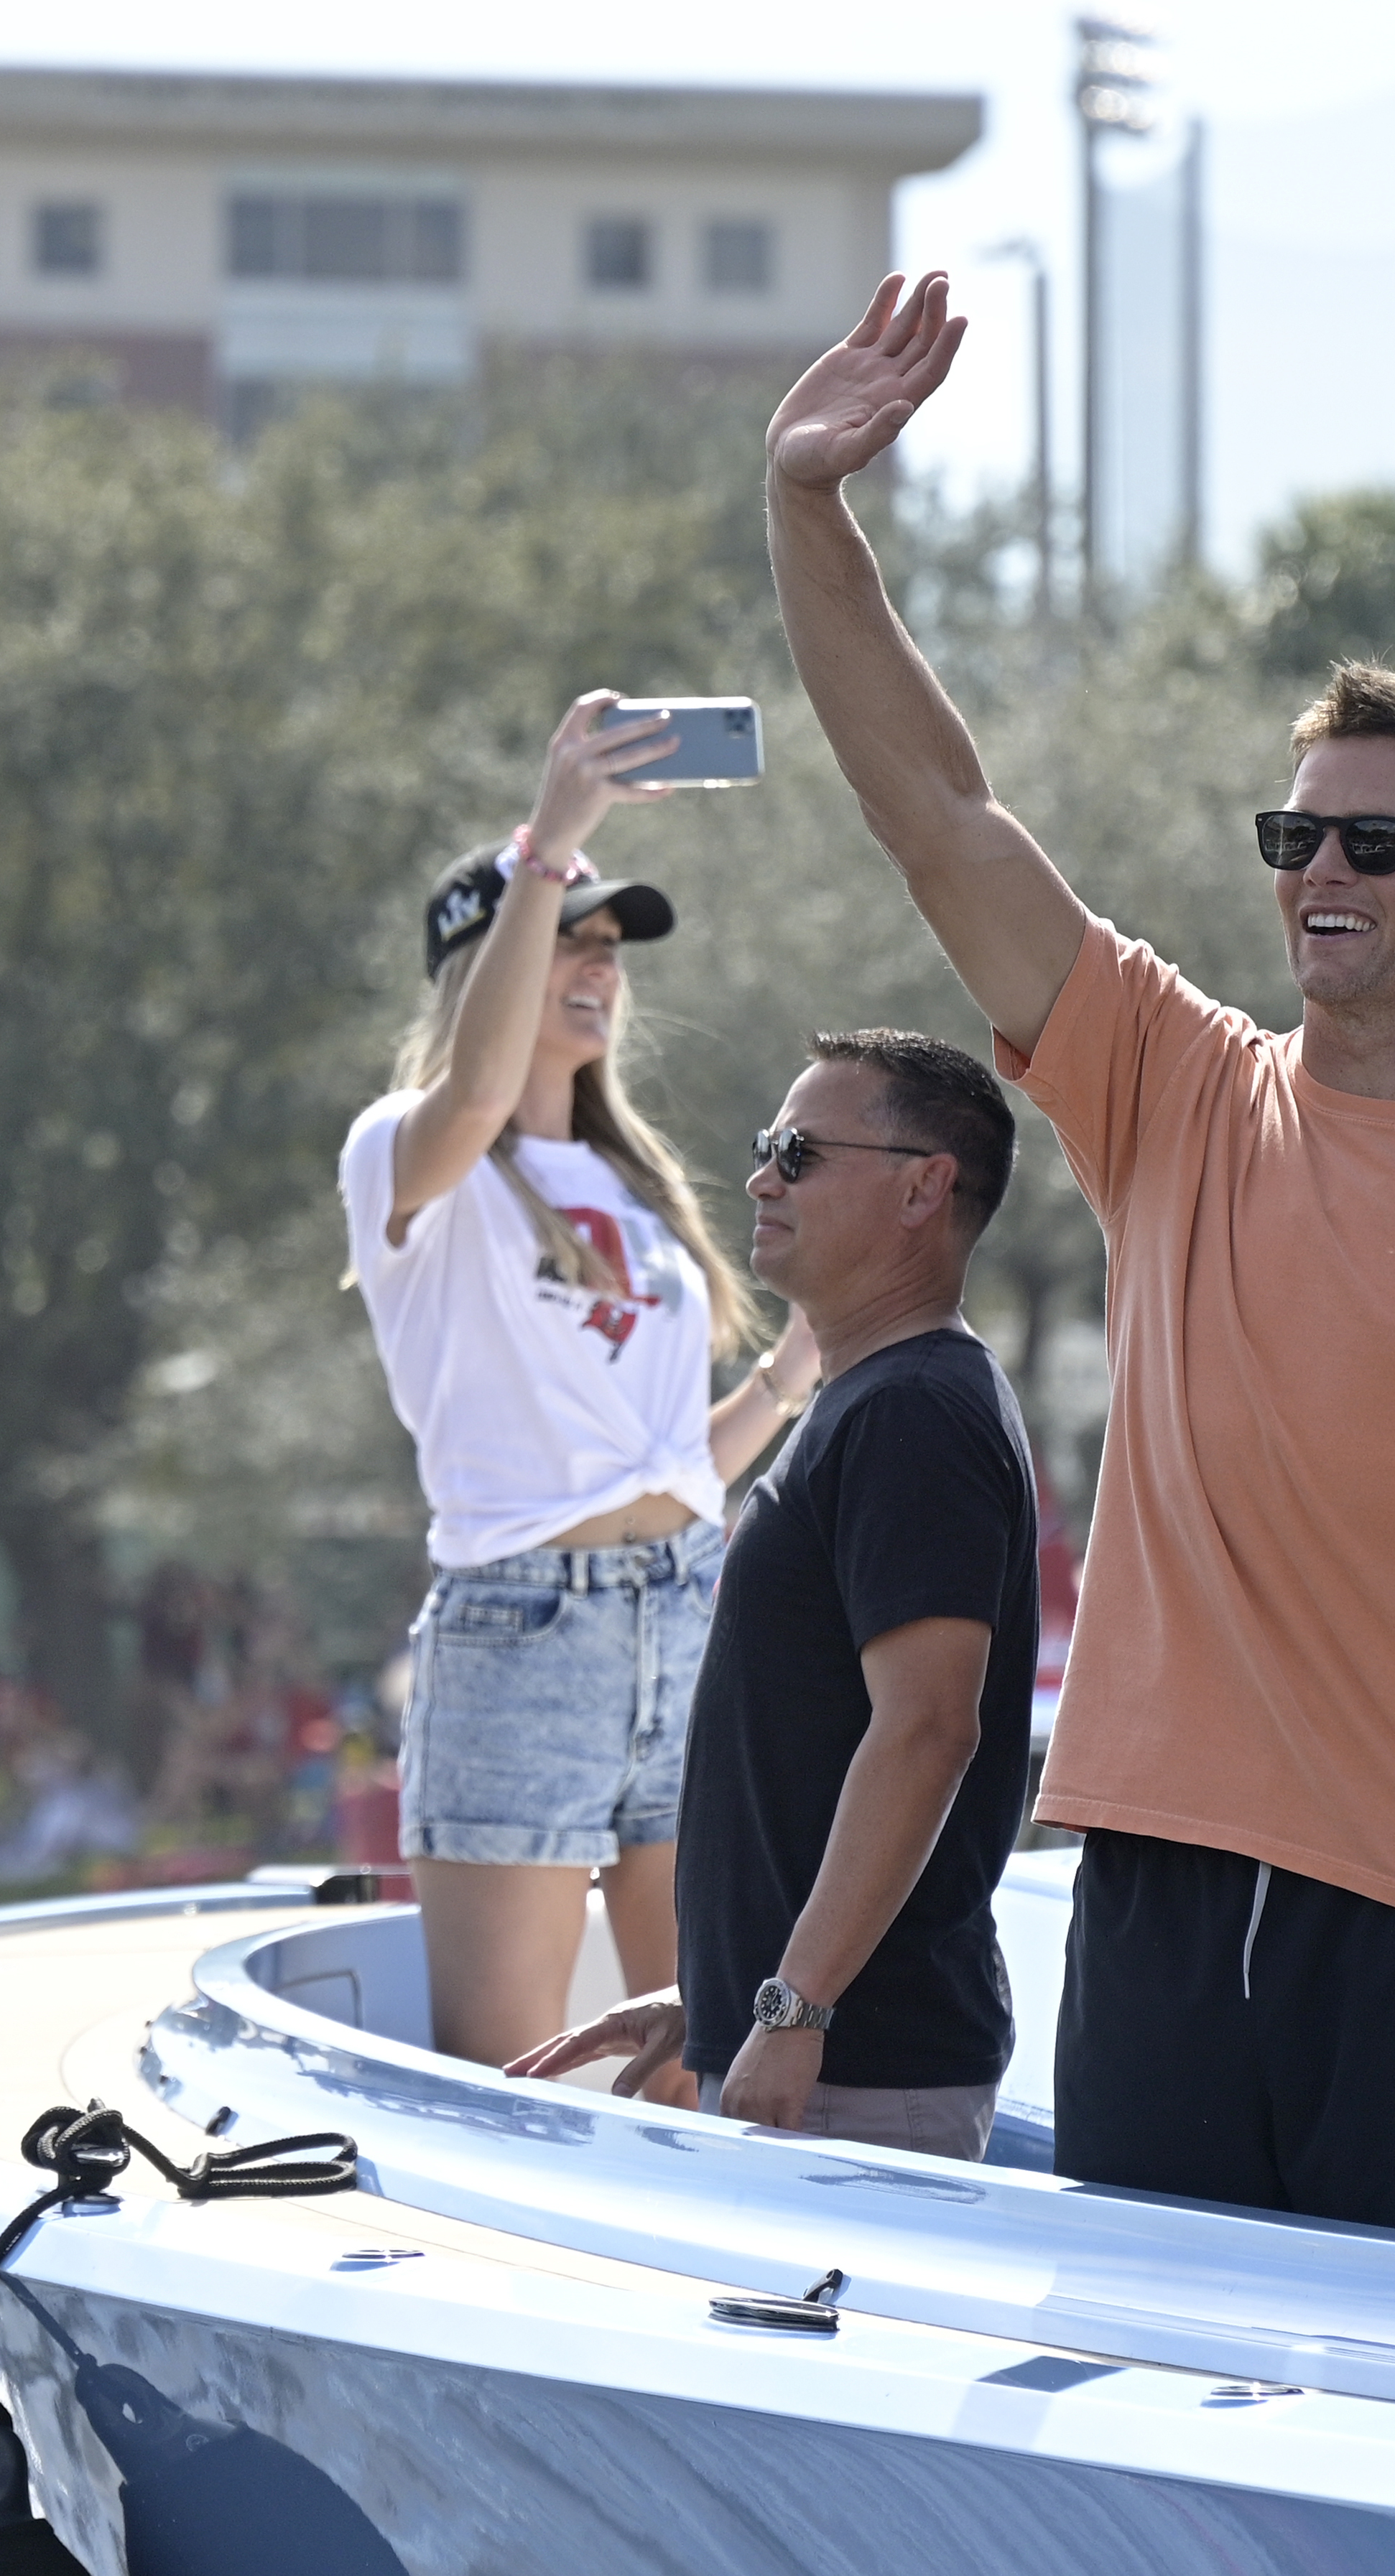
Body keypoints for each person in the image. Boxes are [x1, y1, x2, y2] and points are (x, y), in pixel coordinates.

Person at [759, 274, 1395, 2243]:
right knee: (1153, 2460)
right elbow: (939, 811)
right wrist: (811, 514)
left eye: (1373, 847)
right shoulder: (1178, 1088)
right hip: (1154, 1897)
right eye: (1293, 837)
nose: (1319, 873)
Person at [339, 695, 822, 2071]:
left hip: (682, 1617)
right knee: (522, 2078)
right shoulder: (407, 1158)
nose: (600, 965)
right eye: (568, 938)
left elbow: (669, 1464)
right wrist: (548, 839)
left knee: (691, 2062)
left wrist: (797, 1365)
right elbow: (476, 1099)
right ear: (484, 961)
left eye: (612, 946)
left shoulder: (638, 1184)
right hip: (522, 1630)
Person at [509, 1031, 1039, 2161]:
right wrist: (718, 1995)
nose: (760, 1178)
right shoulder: (879, 1401)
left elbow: (928, 1730)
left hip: (853, 2069)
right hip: (812, 2054)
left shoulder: (916, 1414)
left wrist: (794, 2008)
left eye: (797, 1152)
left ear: (921, 1187)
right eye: (766, 1148)